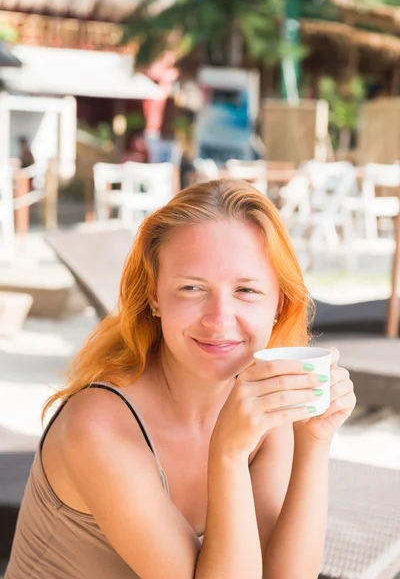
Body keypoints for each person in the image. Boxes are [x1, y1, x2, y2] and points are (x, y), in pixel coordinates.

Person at [5, 179, 356, 579]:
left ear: (280, 302)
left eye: (246, 290)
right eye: (192, 288)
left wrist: (313, 441)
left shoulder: (259, 403)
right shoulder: (98, 427)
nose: (220, 319)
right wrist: (227, 453)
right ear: (154, 296)